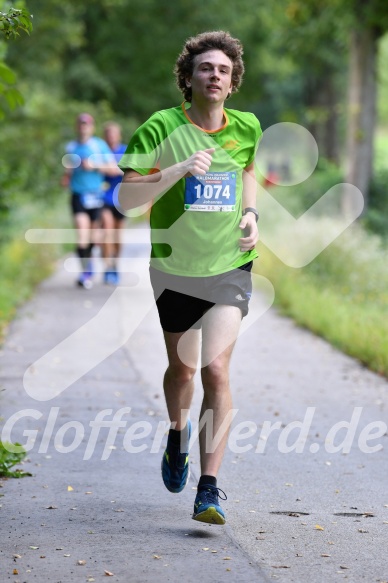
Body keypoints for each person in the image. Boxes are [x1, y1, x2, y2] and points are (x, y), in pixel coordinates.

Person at [118, 31, 261, 525]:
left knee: (215, 371)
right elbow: (127, 200)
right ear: (189, 76)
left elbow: (247, 172)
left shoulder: (247, 127)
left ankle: (209, 489)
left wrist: (251, 214)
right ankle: (176, 434)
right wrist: (178, 168)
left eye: (223, 69)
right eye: (205, 68)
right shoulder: (159, 127)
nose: (214, 75)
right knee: (181, 371)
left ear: (233, 80)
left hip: (229, 267)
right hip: (174, 267)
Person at [62, 113, 121, 289]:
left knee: (93, 237)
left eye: (86, 124)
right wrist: (65, 176)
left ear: (92, 127)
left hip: (96, 196)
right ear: (77, 127)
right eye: (80, 124)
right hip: (78, 195)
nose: (83, 127)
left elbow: (114, 169)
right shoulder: (71, 146)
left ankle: (92, 262)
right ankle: (86, 272)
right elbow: (68, 172)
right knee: (82, 234)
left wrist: (94, 166)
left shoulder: (99, 145)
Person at [101, 122, 126, 285]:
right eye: (108, 134)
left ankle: (115, 265)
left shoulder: (125, 150)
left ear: (118, 136)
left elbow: (133, 170)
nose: (111, 137)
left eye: (113, 134)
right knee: (107, 231)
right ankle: (108, 267)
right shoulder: (100, 151)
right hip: (103, 198)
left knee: (118, 237)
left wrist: (113, 169)